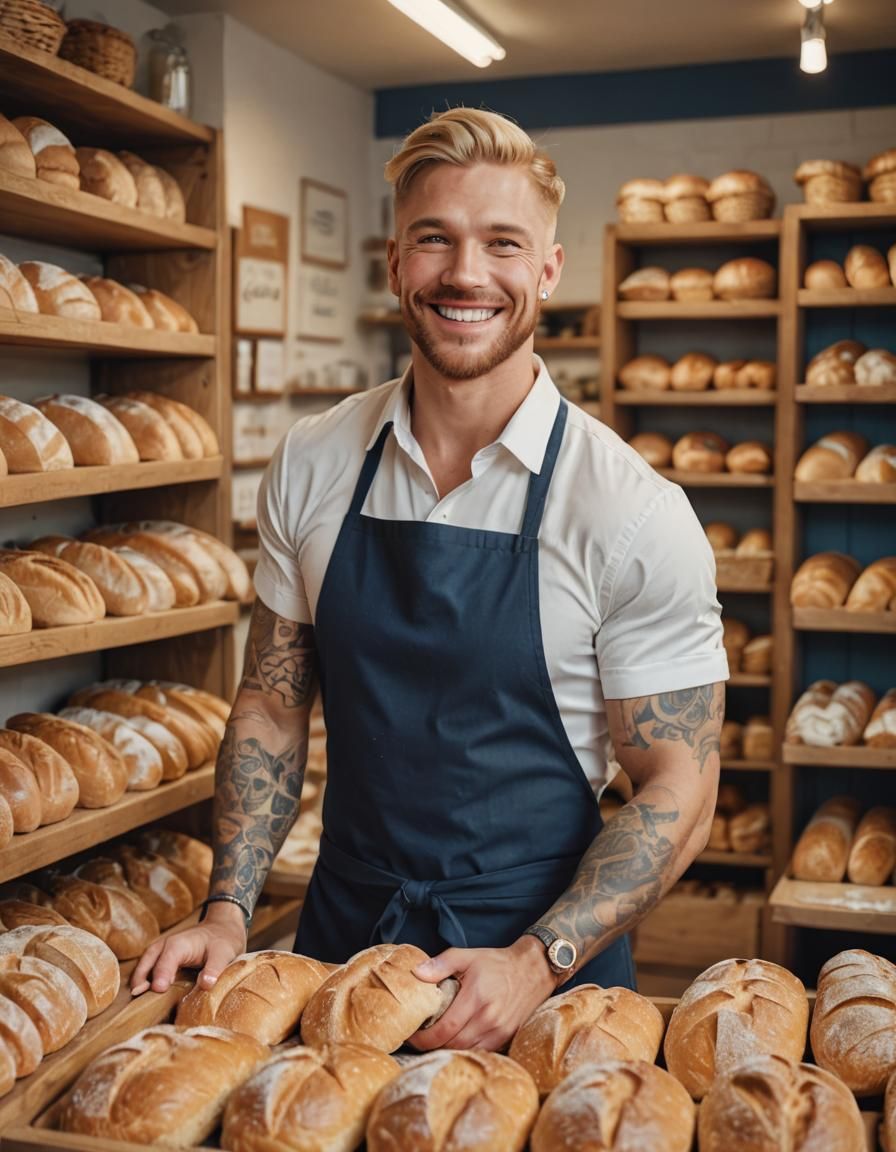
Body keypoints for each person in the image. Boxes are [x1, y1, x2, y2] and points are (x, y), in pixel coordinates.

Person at [132, 107, 727, 1053]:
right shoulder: (314, 462)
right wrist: (228, 910)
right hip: (343, 955)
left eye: (503, 244)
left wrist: (537, 961)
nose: (465, 274)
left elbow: (680, 784)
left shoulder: (631, 512)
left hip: (544, 985)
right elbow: (272, 707)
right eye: (434, 240)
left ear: (546, 270)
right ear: (395, 260)